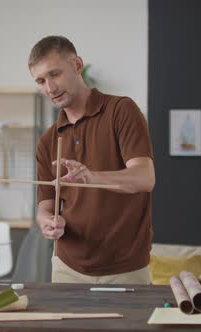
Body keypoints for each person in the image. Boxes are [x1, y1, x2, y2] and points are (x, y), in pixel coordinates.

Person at [28, 35, 155, 284]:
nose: (49, 88)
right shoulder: (47, 141)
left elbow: (145, 177)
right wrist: (46, 221)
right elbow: (45, 203)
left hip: (126, 269)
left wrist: (91, 177)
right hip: (67, 268)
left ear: (77, 65)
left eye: (55, 74)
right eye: (41, 81)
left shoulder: (121, 111)